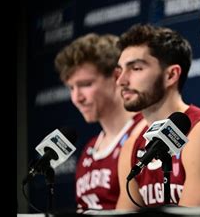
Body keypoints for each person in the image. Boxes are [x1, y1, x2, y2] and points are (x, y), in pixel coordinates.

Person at [114, 24, 200, 209]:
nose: (121, 81)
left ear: (171, 75)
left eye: (136, 68)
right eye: (120, 70)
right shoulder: (132, 144)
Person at [54, 33, 144, 211]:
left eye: (86, 84)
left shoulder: (144, 133)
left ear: (117, 77)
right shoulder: (89, 149)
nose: (76, 98)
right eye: (71, 88)